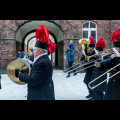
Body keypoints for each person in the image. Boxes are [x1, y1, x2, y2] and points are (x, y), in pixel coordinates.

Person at [15, 24, 56, 100]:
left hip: (40, 96)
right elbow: (36, 71)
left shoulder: (43, 62)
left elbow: (33, 80)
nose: (33, 52)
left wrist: (20, 75)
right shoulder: (43, 60)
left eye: (34, 50)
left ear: (40, 51)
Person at [95, 28, 120, 100]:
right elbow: (109, 63)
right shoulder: (115, 55)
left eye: (117, 47)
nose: (116, 49)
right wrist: (100, 65)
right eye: (115, 47)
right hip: (112, 82)